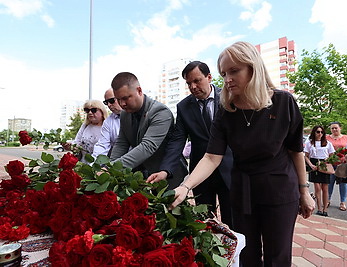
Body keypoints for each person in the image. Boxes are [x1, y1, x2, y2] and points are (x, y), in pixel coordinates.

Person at [170, 41, 315, 266]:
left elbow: (295, 150)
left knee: (278, 256)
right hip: (243, 192)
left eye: (234, 71)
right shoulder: (226, 110)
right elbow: (211, 157)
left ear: (253, 68)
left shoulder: (283, 102)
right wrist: (185, 186)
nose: (227, 79)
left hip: (279, 190)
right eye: (224, 73)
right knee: (246, 255)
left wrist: (304, 191)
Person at [147, 61, 234, 228]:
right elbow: (176, 142)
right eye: (188, 83)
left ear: (209, 77)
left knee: (233, 220)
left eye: (197, 81)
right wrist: (166, 170)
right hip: (199, 174)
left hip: (230, 170)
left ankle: (236, 254)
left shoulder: (229, 97)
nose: (193, 87)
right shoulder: (184, 107)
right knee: (204, 222)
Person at [109, 72, 187, 179]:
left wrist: (112, 168)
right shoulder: (124, 114)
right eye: (118, 99)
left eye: (126, 98)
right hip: (143, 176)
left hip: (168, 175)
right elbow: (122, 143)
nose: (122, 104)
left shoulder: (160, 112)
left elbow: (147, 147)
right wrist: (109, 167)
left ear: (139, 91)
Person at [304, 126, 335, 217]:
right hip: (314, 163)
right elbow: (306, 155)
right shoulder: (310, 143)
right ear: (314, 132)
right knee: (317, 187)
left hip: (324, 164)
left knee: (325, 188)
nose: (320, 134)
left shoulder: (327, 143)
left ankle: (325, 209)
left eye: (321, 132)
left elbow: (332, 155)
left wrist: (327, 159)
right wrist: (310, 165)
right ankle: (319, 208)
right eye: (318, 132)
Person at [326, 122, 347, 211]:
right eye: (332, 128)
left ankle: (342, 202)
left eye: (336, 128)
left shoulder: (346, 138)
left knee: (343, 184)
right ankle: (327, 200)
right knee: (329, 183)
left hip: (342, 164)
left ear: (340, 128)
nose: (334, 130)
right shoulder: (327, 138)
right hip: (330, 163)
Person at [92, 88, 123, 158]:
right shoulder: (108, 122)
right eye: (106, 102)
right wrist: (93, 165)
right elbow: (102, 146)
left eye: (111, 101)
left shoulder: (136, 115)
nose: (109, 105)